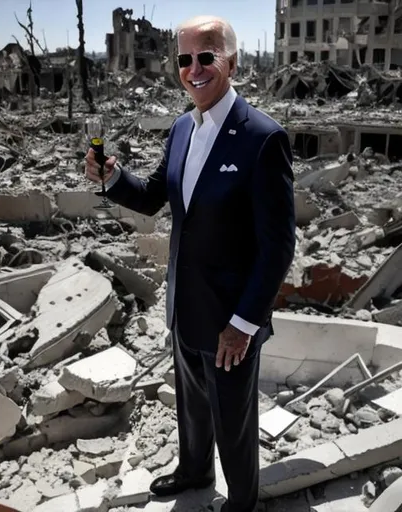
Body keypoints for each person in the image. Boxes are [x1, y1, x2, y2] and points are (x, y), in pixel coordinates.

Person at [85, 15, 296, 512]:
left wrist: (244, 324)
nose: (194, 69)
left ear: (233, 63)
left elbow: (278, 246)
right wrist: (114, 177)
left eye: (206, 57)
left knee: (233, 422)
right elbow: (155, 196)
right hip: (185, 307)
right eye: (184, 59)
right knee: (192, 409)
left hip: (230, 322)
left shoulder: (263, 138)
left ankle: (241, 500)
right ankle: (193, 471)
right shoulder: (181, 128)